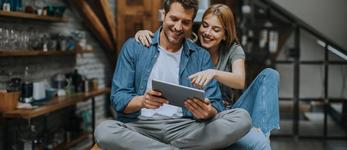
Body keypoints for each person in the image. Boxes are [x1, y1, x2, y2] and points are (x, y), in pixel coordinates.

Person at [94, 0, 252, 150]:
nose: (178, 27)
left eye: (185, 22)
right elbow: (118, 98)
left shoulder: (200, 56)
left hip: (186, 128)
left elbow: (216, 104)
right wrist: (143, 101)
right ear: (163, 14)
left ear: (192, 23)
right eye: (174, 19)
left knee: (242, 118)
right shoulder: (135, 47)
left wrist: (208, 112)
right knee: (104, 131)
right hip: (140, 126)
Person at [134, 4, 280, 150]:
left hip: (231, 111)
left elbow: (239, 81)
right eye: (205, 25)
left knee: (270, 75)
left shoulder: (233, 50)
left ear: (225, 34)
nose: (207, 32)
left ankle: (263, 134)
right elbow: (169, 37)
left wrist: (213, 73)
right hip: (202, 112)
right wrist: (143, 33)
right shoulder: (190, 46)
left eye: (216, 30)